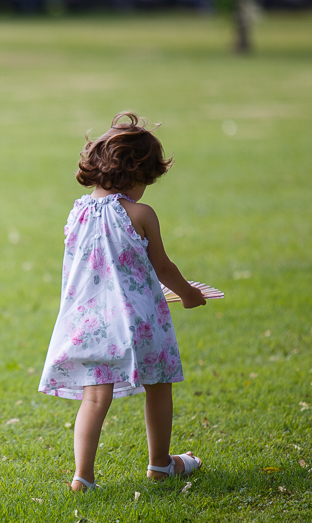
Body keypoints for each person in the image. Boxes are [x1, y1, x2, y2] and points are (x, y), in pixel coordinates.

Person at [38, 112, 207, 492]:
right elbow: (162, 266)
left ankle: (83, 476)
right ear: (135, 174)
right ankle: (160, 464)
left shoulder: (77, 212)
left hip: (88, 322)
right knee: (159, 384)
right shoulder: (140, 214)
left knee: (95, 397)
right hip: (138, 321)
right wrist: (189, 294)